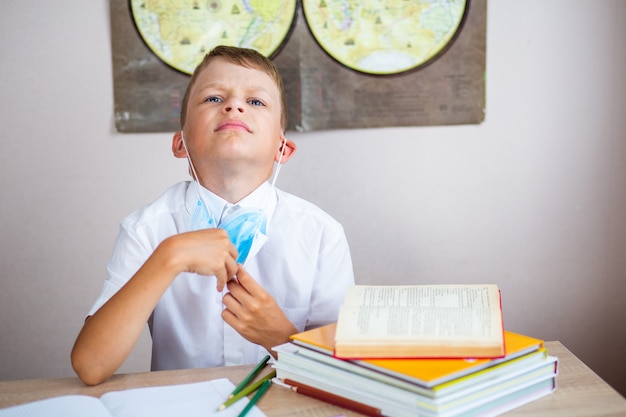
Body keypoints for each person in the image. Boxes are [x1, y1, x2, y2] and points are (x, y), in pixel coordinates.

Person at [71, 45, 354, 386]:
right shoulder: (146, 229)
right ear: (181, 143)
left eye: (256, 102)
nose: (234, 106)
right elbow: (90, 365)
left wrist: (281, 337)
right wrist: (168, 257)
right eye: (213, 99)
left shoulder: (321, 234)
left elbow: (345, 377)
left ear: (283, 149)